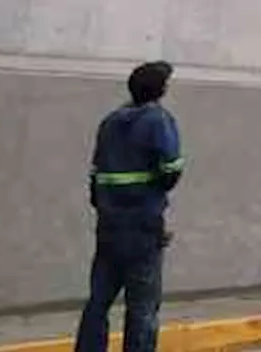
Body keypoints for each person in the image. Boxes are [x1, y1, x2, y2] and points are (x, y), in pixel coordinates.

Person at [75, 61, 185, 352]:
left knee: (98, 301)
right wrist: (153, 193)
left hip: (109, 226)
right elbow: (172, 168)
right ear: (160, 90)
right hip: (143, 227)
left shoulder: (110, 122)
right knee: (142, 307)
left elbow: (95, 175)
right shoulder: (158, 120)